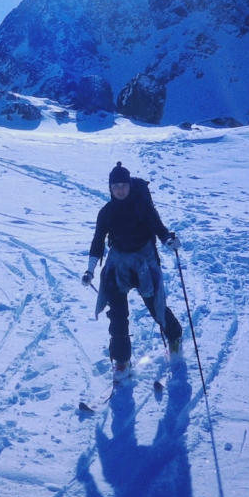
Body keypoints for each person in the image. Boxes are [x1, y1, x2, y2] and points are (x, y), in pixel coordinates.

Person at [82, 162, 183, 381]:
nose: (120, 189)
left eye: (124, 185)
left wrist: (169, 241)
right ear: (110, 188)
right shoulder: (106, 213)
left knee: (156, 306)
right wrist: (90, 270)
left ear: (129, 186)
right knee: (117, 314)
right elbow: (98, 241)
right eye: (116, 185)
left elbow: (159, 228)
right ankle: (121, 362)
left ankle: (174, 337)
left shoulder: (142, 206)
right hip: (118, 264)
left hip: (145, 262)